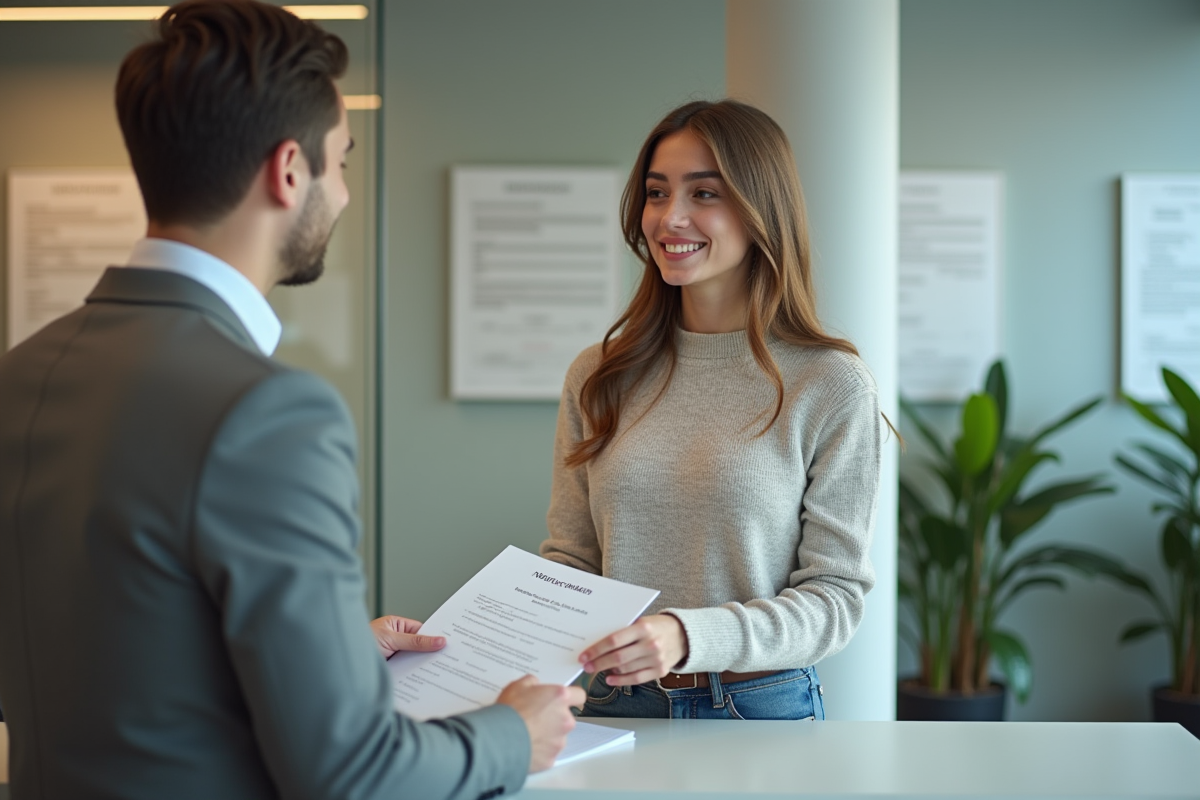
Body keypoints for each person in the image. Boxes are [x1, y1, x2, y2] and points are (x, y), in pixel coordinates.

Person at [0, 2, 582, 798]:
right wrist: (511, 736)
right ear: (287, 171)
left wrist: (334, 651)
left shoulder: (23, 371)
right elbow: (351, 773)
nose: (342, 194)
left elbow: (114, 653)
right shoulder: (267, 412)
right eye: (341, 161)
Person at [540, 99, 883, 721]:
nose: (670, 218)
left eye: (705, 194)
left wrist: (688, 635)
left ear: (760, 212)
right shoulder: (598, 375)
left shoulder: (830, 383)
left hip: (756, 705)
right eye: (656, 192)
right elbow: (572, 563)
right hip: (616, 704)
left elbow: (835, 598)